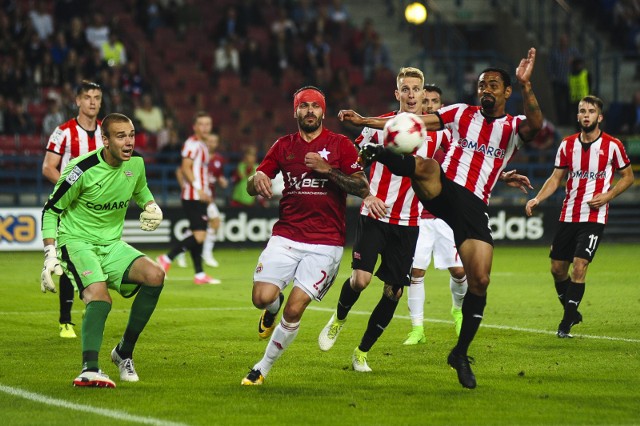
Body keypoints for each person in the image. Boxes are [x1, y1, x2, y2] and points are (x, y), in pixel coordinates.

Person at [338, 48, 543, 389]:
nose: (486, 90)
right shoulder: (461, 114)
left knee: (480, 281)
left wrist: (527, 84)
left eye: (493, 84)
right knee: (428, 165)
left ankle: (459, 354)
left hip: (475, 208)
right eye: (481, 85)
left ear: (507, 92)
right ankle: (381, 154)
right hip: (444, 190)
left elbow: (536, 125)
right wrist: (364, 123)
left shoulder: (513, 126)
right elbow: (412, 124)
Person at [240, 86, 386, 385]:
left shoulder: (341, 145)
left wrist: (327, 169)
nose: (309, 111)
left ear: (323, 111)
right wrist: (256, 180)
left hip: (325, 243)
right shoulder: (283, 146)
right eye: (303, 106)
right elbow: (254, 183)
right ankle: (271, 307)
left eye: (315, 106)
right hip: (286, 236)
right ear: (296, 111)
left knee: (295, 310)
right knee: (261, 297)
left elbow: (361, 187)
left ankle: (261, 368)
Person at [40, 113, 165, 388]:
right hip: (76, 242)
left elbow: (140, 189)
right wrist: (50, 253)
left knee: (155, 275)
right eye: (121, 136)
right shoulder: (80, 169)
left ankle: (123, 353)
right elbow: (51, 210)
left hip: (111, 245)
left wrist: (151, 205)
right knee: (100, 298)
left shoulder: (137, 164)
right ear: (105, 140)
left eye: (131, 135)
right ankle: (90, 368)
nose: (129, 141)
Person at [317, 67, 426, 372]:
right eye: (405, 89)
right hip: (374, 213)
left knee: (394, 290)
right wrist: (367, 194)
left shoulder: (433, 131)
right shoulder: (378, 127)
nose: (411, 94)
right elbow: (357, 163)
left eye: (416, 89)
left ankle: (361, 353)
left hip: (408, 221)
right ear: (397, 93)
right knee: (360, 280)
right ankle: (339, 317)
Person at [525, 95, 634, 338]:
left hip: (594, 216)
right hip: (568, 214)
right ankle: (572, 311)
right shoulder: (567, 145)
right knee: (556, 269)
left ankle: (565, 323)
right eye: (582, 111)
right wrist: (537, 198)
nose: (586, 115)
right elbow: (556, 178)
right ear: (577, 116)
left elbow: (628, 177)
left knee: (579, 266)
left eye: (591, 111)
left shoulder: (612, 145)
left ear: (599, 117)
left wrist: (607, 196)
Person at [403, 84, 467, 345]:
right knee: (416, 272)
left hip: (445, 215)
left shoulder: (452, 136)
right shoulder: (407, 133)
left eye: (434, 101)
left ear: (442, 106)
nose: (428, 105)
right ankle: (417, 329)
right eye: (425, 100)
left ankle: (458, 310)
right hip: (416, 214)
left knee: (459, 271)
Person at [42, 80, 103, 338]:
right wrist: (71, 189)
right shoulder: (63, 132)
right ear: (77, 100)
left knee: (96, 259)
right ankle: (65, 320)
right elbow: (48, 167)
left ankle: (91, 306)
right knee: (71, 258)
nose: (92, 102)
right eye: (87, 97)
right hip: (71, 206)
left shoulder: (106, 131)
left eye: (97, 97)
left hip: (96, 207)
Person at [157, 111, 221, 285]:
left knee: (197, 235)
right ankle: (166, 258)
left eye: (208, 124)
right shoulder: (192, 144)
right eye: (202, 124)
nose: (205, 127)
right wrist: (199, 189)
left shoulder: (203, 145)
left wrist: (205, 192)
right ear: (195, 127)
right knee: (200, 235)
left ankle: (199, 274)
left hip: (200, 196)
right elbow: (185, 168)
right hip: (193, 196)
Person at [175, 133, 228, 268]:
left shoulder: (218, 160)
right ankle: (205, 254)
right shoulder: (197, 153)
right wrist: (186, 188)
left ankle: (186, 253)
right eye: (209, 140)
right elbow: (181, 170)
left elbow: (216, 176)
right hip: (197, 196)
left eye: (214, 141)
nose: (211, 143)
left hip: (208, 196)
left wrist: (221, 180)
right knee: (211, 222)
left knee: (199, 227)